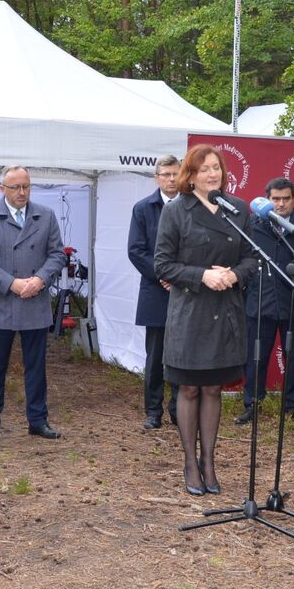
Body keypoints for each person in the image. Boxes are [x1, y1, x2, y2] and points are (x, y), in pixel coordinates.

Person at [154, 144, 256, 496]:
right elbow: (162, 264)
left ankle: (209, 461)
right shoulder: (177, 211)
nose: (213, 174)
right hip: (190, 312)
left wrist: (234, 275)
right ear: (191, 175)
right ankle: (189, 463)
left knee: (214, 388)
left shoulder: (238, 209)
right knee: (190, 387)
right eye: (205, 169)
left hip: (225, 311)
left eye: (217, 168)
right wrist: (202, 275)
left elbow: (251, 258)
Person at [0, 166, 66, 444]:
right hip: (0, 305)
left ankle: (38, 420)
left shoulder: (45, 216)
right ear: (2, 189)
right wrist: (10, 283)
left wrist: (40, 279)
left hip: (35, 304)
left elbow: (57, 255)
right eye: (16, 187)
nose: (22, 192)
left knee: (36, 367)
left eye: (26, 186)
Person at [236, 177, 294, 425]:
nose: (280, 204)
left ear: (293, 199)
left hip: (293, 302)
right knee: (256, 356)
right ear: (267, 200)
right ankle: (252, 404)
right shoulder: (253, 225)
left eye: (285, 199)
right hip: (259, 301)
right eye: (275, 199)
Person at [127, 154, 181, 430]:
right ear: (156, 177)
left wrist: (181, 277)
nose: (171, 179)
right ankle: (153, 411)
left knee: (182, 355)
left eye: (175, 173)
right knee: (156, 355)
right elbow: (135, 250)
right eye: (166, 174)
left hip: (185, 293)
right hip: (156, 292)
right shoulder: (143, 208)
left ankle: (179, 411)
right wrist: (162, 275)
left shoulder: (191, 206)